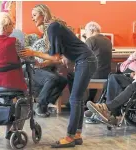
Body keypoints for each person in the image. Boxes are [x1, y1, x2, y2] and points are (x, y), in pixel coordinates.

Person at [18, 4, 97, 148]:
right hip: (83, 61)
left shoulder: (53, 27)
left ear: (43, 14)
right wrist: (45, 62)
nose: (32, 18)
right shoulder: (54, 27)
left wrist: (33, 53)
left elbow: (54, 57)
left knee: (74, 98)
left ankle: (70, 137)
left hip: (85, 61)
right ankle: (77, 135)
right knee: (77, 99)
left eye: (34, 15)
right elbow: (60, 54)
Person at [0, 12, 27, 140]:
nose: (13, 27)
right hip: (10, 84)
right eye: (11, 25)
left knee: (1, 99)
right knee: (25, 101)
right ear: (6, 26)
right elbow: (27, 57)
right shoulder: (15, 42)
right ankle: (14, 129)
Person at [28, 26, 67, 117]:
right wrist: (55, 60)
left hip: (47, 71)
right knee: (52, 78)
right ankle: (41, 105)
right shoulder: (41, 44)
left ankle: (46, 103)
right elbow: (40, 63)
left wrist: (56, 61)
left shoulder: (57, 45)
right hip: (35, 70)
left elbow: (60, 60)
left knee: (63, 80)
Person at [84, 21, 112, 103]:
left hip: (94, 74)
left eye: (86, 32)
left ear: (91, 31)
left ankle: (75, 101)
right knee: (94, 68)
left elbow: (84, 56)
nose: (86, 34)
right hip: (107, 74)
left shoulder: (90, 40)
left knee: (72, 75)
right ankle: (91, 100)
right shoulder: (108, 40)